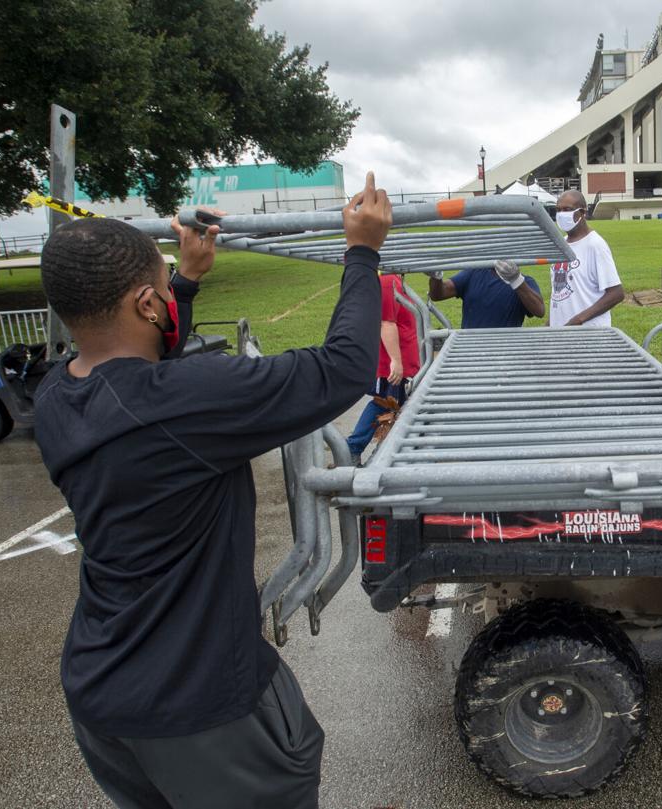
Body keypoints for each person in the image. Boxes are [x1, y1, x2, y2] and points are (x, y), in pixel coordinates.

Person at [33, 173, 393, 808]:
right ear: (147, 304)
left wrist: (186, 283)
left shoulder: (60, 395)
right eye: (164, 293)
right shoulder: (187, 400)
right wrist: (362, 252)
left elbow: (143, 374)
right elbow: (344, 369)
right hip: (199, 709)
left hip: (101, 693)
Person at [346, 270, 421, 465]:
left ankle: (382, 452)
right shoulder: (388, 282)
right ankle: (353, 449)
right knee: (384, 403)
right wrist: (395, 361)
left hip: (404, 360)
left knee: (398, 404)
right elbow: (386, 323)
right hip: (395, 362)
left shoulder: (396, 281)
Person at [548, 190, 624, 327]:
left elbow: (616, 293)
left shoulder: (595, 245)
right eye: (558, 210)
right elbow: (559, 294)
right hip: (560, 333)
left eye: (567, 209)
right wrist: (550, 323)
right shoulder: (561, 245)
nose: (561, 214)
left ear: (582, 213)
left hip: (588, 334)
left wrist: (579, 320)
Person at [428, 258, 545, 328]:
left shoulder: (526, 281)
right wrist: (436, 276)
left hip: (508, 349)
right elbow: (439, 294)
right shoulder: (474, 273)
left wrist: (516, 280)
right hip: (472, 347)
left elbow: (540, 311)